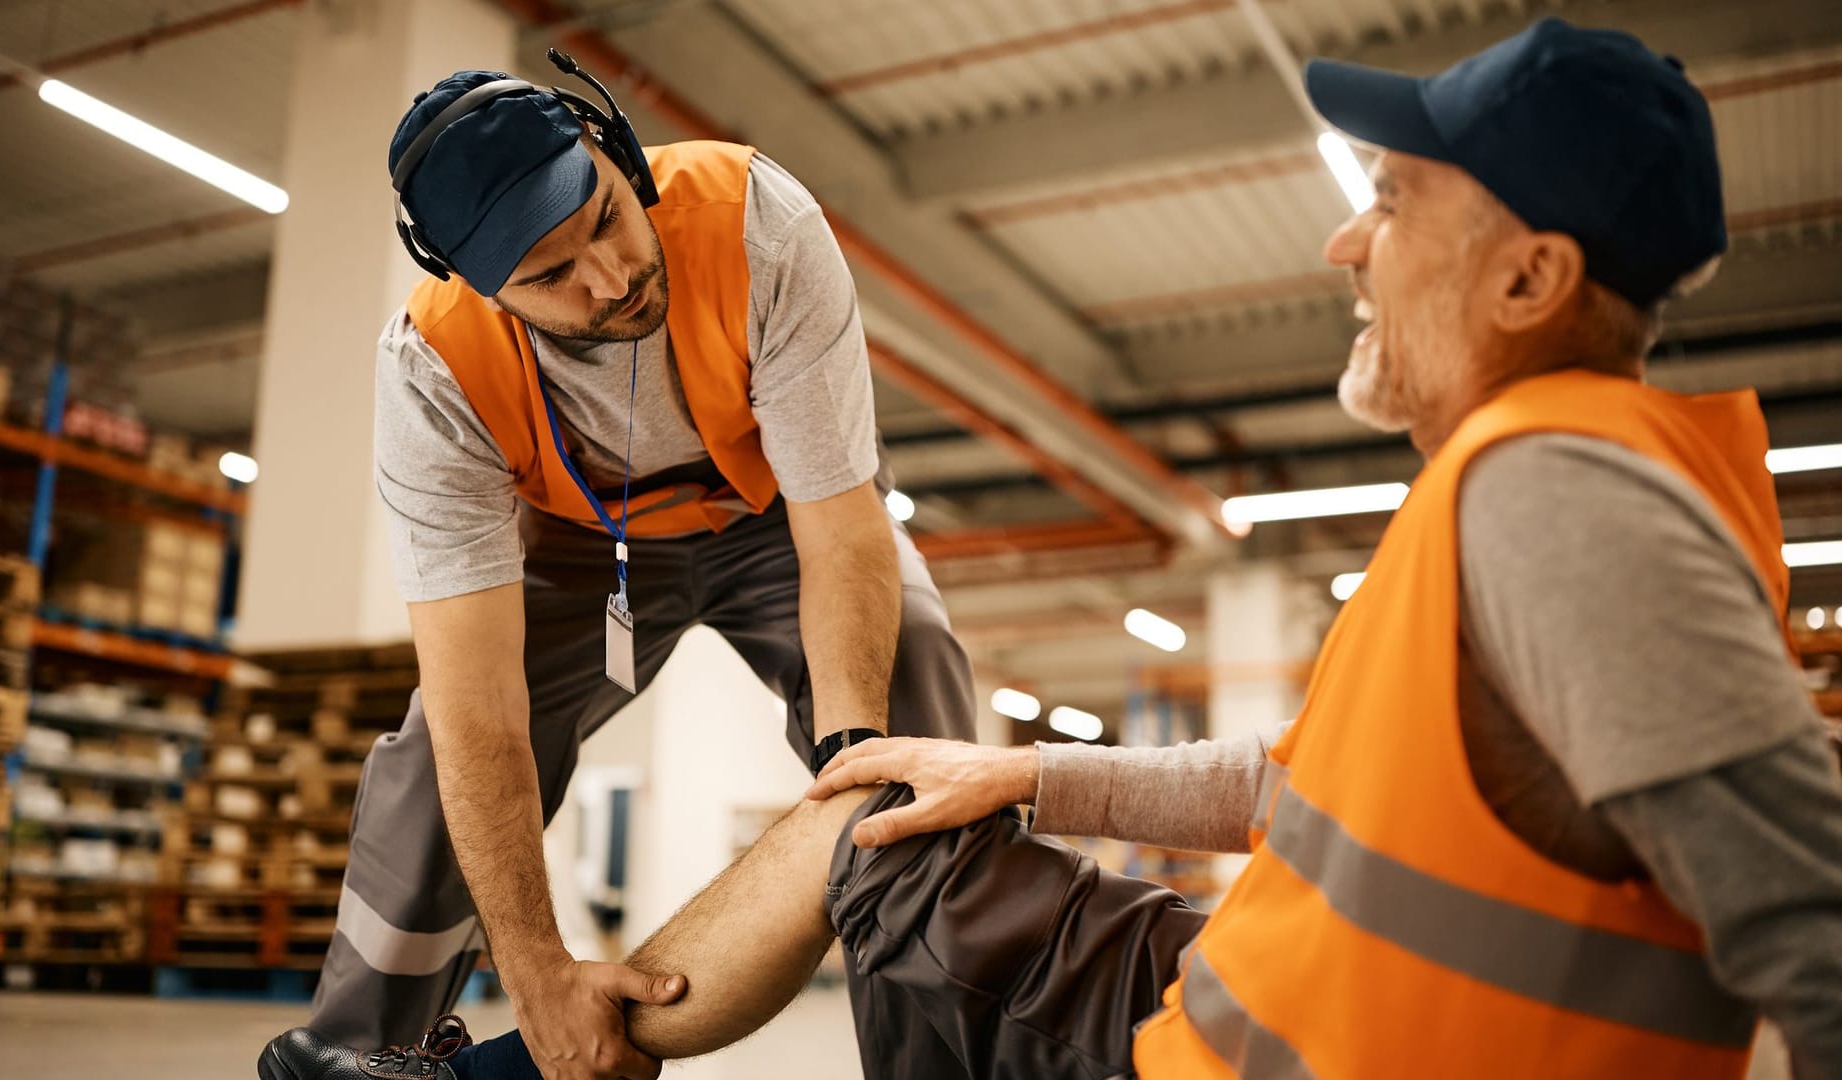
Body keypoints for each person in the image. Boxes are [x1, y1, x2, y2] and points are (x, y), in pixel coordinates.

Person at [264, 18, 1842, 1080]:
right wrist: (1021, 779)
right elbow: (1318, 788)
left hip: (1238, 1044)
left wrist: (872, 735)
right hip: (1245, 986)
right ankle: (385, 1047)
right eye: (550, 272)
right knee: (846, 805)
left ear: (1530, 278)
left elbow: (1808, 915)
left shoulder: (1570, 508)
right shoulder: (1514, 489)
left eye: (1402, 201)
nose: (1346, 237)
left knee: (879, 803)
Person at [304, 50, 977, 1080]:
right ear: (482, 289)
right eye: (550, 276)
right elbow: (479, 705)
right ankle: (353, 1053)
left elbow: (841, 531)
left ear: (616, 152)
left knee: (911, 700)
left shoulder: (759, 225)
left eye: (609, 220)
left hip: (775, 510)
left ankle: (947, 1051)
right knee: (432, 760)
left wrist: (858, 760)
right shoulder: (435, 372)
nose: (612, 279)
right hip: (584, 543)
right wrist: (538, 982)